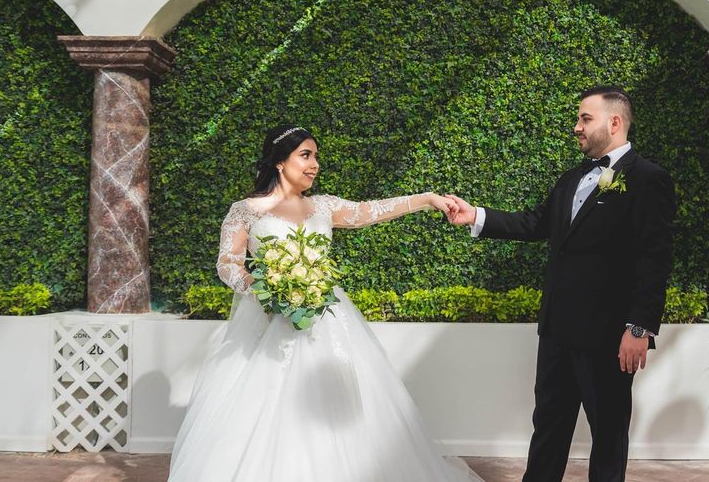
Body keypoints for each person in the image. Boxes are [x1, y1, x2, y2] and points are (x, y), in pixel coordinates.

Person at [168, 125, 482, 482]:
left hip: (329, 321)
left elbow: (370, 211)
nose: (315, 164)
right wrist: (266, 288)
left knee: (344, 407)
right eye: (306, 155)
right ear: (279, 161)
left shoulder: (323, 206)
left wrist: (426, 199)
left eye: (316, 156)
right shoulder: (246, 211)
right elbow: (228, 263)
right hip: (267, 324)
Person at [446, 86, 675, 482]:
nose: (577, 127)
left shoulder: (649, 179)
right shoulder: (572, 177)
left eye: (585, 118)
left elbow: (654, 259)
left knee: (608, 434)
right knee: (548, 427)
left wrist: (638, 327)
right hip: (557, 330)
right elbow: (536, 223)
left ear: (614, 122)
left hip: (608, 336)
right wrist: (476, 216)